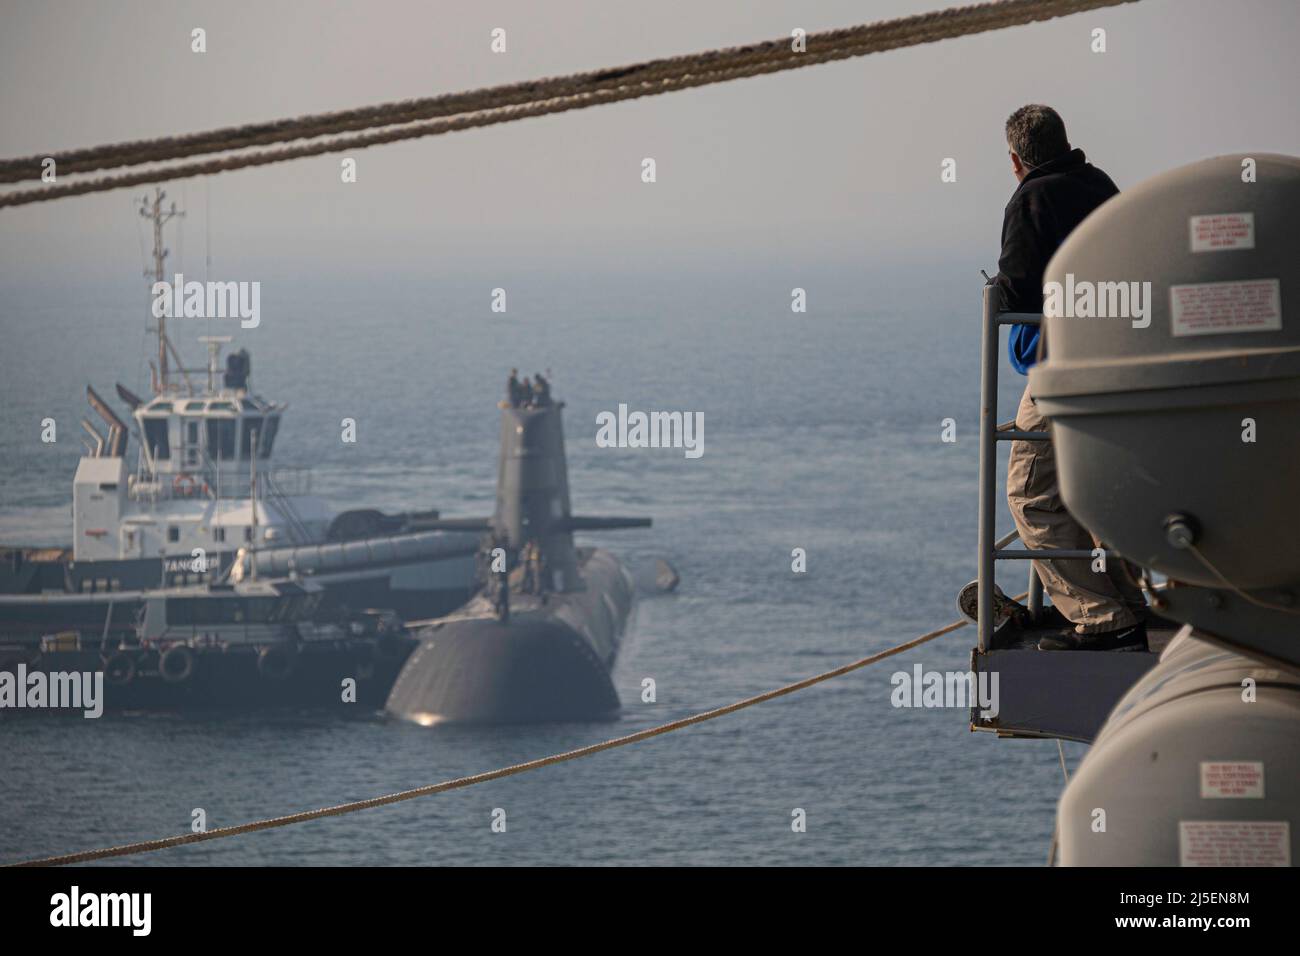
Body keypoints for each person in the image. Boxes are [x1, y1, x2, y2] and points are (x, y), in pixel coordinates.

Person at [994, 104, 1148, 652]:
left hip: (1067, 363)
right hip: (1124, 358)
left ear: (1016, 159)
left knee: (1031, 493)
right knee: (1096, 485)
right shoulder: (1101, 185)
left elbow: (1014, 292)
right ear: (1066, 140)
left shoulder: (1030, 199)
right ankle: (1129, 601)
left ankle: (1103, 616)